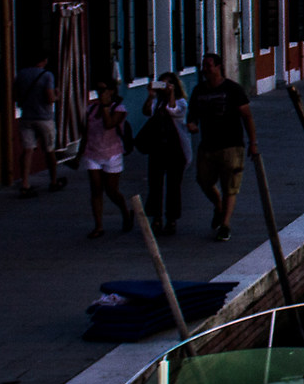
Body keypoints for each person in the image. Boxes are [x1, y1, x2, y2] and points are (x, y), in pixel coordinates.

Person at [187, 54, 257, 243]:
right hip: (207, 145)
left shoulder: (233, 90)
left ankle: (225, 225)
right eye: (203, 66)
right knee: (203, 181)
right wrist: (192, 125)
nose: (205, 69)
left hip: (232, 146)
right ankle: (218, 205)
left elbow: (247, 116)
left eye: (209, 66)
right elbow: (192, 115)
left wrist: (253, 143)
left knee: (230, 187)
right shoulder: (198, 91)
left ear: (218, 67)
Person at [136, 74, 191, 234]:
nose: (165, 87)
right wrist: (150, 95)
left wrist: (171, 94)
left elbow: (174, 111)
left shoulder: (181, 102)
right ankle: (157, 217)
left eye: (168, 84)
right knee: (155, 185)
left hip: (176, 148)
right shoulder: (156, 102)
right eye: (163, 83)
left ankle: (172, 219)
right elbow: (146, 111)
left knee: (174, 186)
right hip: (158, 147)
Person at [78, 83, 135, 238]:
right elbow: (85, 132)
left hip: (112, 152)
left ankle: (125, 211)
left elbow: (109, 124)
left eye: (104, 89)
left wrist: (105, 106)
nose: (100, 92)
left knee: (111, 190)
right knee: (96, 189)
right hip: (92, 152)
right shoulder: (90, 109)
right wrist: (79, 154)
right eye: (99, 89)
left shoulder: (119, 108)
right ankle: (98, 225)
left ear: (111, 90)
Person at [12, 50, 63, 196]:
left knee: (28, 150)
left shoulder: (21, 74)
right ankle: (53, 181)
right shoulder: (47, 76)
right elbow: (50, 98)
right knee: (49, 150)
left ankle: (25, 183)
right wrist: (57, 95)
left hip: (26, 116)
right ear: (44, 60)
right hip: (44, 118)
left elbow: (15, 96)